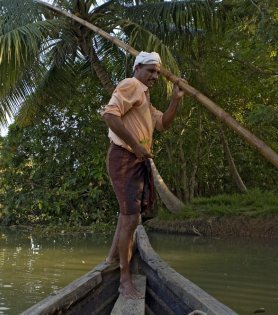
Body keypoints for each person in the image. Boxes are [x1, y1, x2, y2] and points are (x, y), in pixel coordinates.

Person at [102, 51, 186, 299]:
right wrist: (136, 145)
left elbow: (163, 124)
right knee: (130, 219)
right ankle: (124, 280)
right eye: (150, 71)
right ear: (138, 68)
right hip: (125, 157)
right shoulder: (131, 85)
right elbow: (110, 115)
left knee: (127, 215)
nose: (155, 76)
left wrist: (176, 100)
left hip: (136, 160)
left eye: (158, 72)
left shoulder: (144, 97)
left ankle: (110, 259)